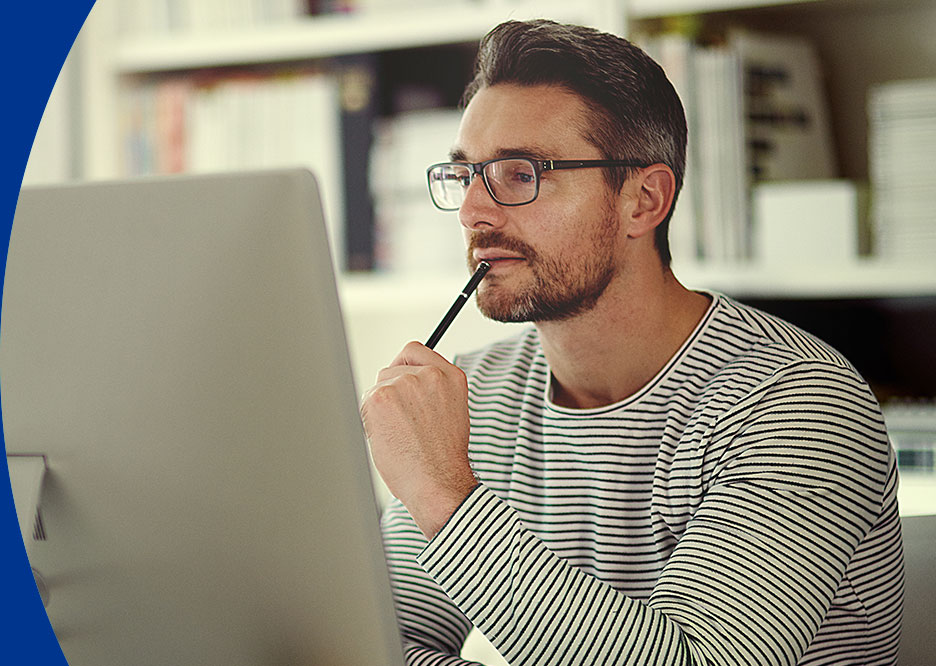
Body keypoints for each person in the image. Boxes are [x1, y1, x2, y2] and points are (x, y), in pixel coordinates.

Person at [360, 19, 903, 666]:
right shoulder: (477, 395)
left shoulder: (798, 404)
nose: (475, 211)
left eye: (519, 172)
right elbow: (376, 641)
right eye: (464, 174)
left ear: (644, 200)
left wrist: (445, 495)